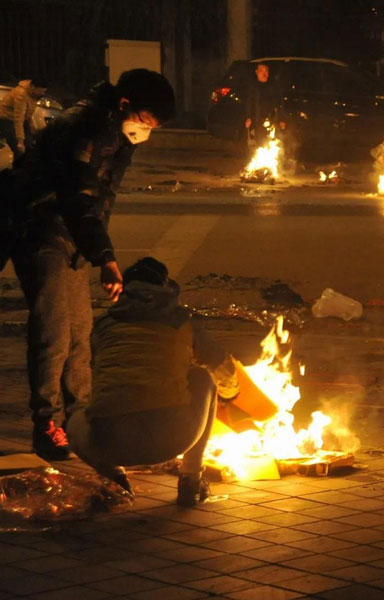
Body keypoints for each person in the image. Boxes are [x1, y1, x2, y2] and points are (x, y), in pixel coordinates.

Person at [3, 69, 175, 461]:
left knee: (80, 335)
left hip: (73, 236)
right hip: (42, 228)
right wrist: (106, 259)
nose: (148, 131)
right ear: (125, 104)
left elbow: (97, 199)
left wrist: (95, 250)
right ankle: (48, 424)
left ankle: (79, 420)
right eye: (147, 122)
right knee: (54, 334)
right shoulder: (85, 127)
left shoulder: (112, 128)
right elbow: (76, 199)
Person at [67, 258, 239, 505]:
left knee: (76, 415)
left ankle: (115, 478)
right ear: (166, 290)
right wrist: (230, 394)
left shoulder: (104, 325)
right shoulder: (181, 322)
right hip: (171, 440)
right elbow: (220, 364)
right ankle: (191, 480)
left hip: (108, 443)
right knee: (202, 377)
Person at [0, 78, 48, 167]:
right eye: (41, 91)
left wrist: (31, 125)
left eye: (44, 91)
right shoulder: (21, 95)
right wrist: (20, 141)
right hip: (7, 118)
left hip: (19, 118)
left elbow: (28, 112)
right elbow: (18, 118)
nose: (42, 94)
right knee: (19, 149)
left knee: (29, 145)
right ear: (33, 87)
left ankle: (26, 168)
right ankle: (16, 171)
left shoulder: (33, 95)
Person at [242, 63, 279, 150]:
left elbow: (278, 103)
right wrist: (248, 117)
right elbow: (249, 103)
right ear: (256, 72)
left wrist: (281, 119)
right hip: (258, 120)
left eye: (266, 71)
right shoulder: (253, 87)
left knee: (272, 142)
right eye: (262, 71)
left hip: (272, 120)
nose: (264, 74)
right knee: (260, 143)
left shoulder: (272, 87)